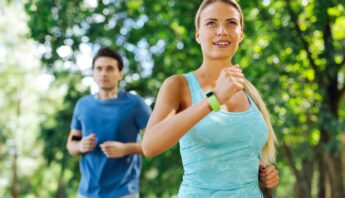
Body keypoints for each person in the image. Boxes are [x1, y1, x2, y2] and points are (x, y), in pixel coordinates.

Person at [142, 0, 279, 197]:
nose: (222, 30)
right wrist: (214, 100)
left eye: (231, 23)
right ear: (198, 34)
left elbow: (241, 151)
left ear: (241, 33)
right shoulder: (178, 85)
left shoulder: (248, 90)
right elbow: (149, 145)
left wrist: (264, 173)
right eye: (211, 23)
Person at [66, 47, 151, 198]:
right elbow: (71, 145)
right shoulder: (83, 105)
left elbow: (156, 143)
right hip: (86, 192)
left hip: (124, 191)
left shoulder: (135, 104)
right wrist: (80, 145)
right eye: (98, 69)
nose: (103, 73)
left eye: (110, 68)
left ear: (120, 74)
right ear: (93, 73)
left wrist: (126, 148)